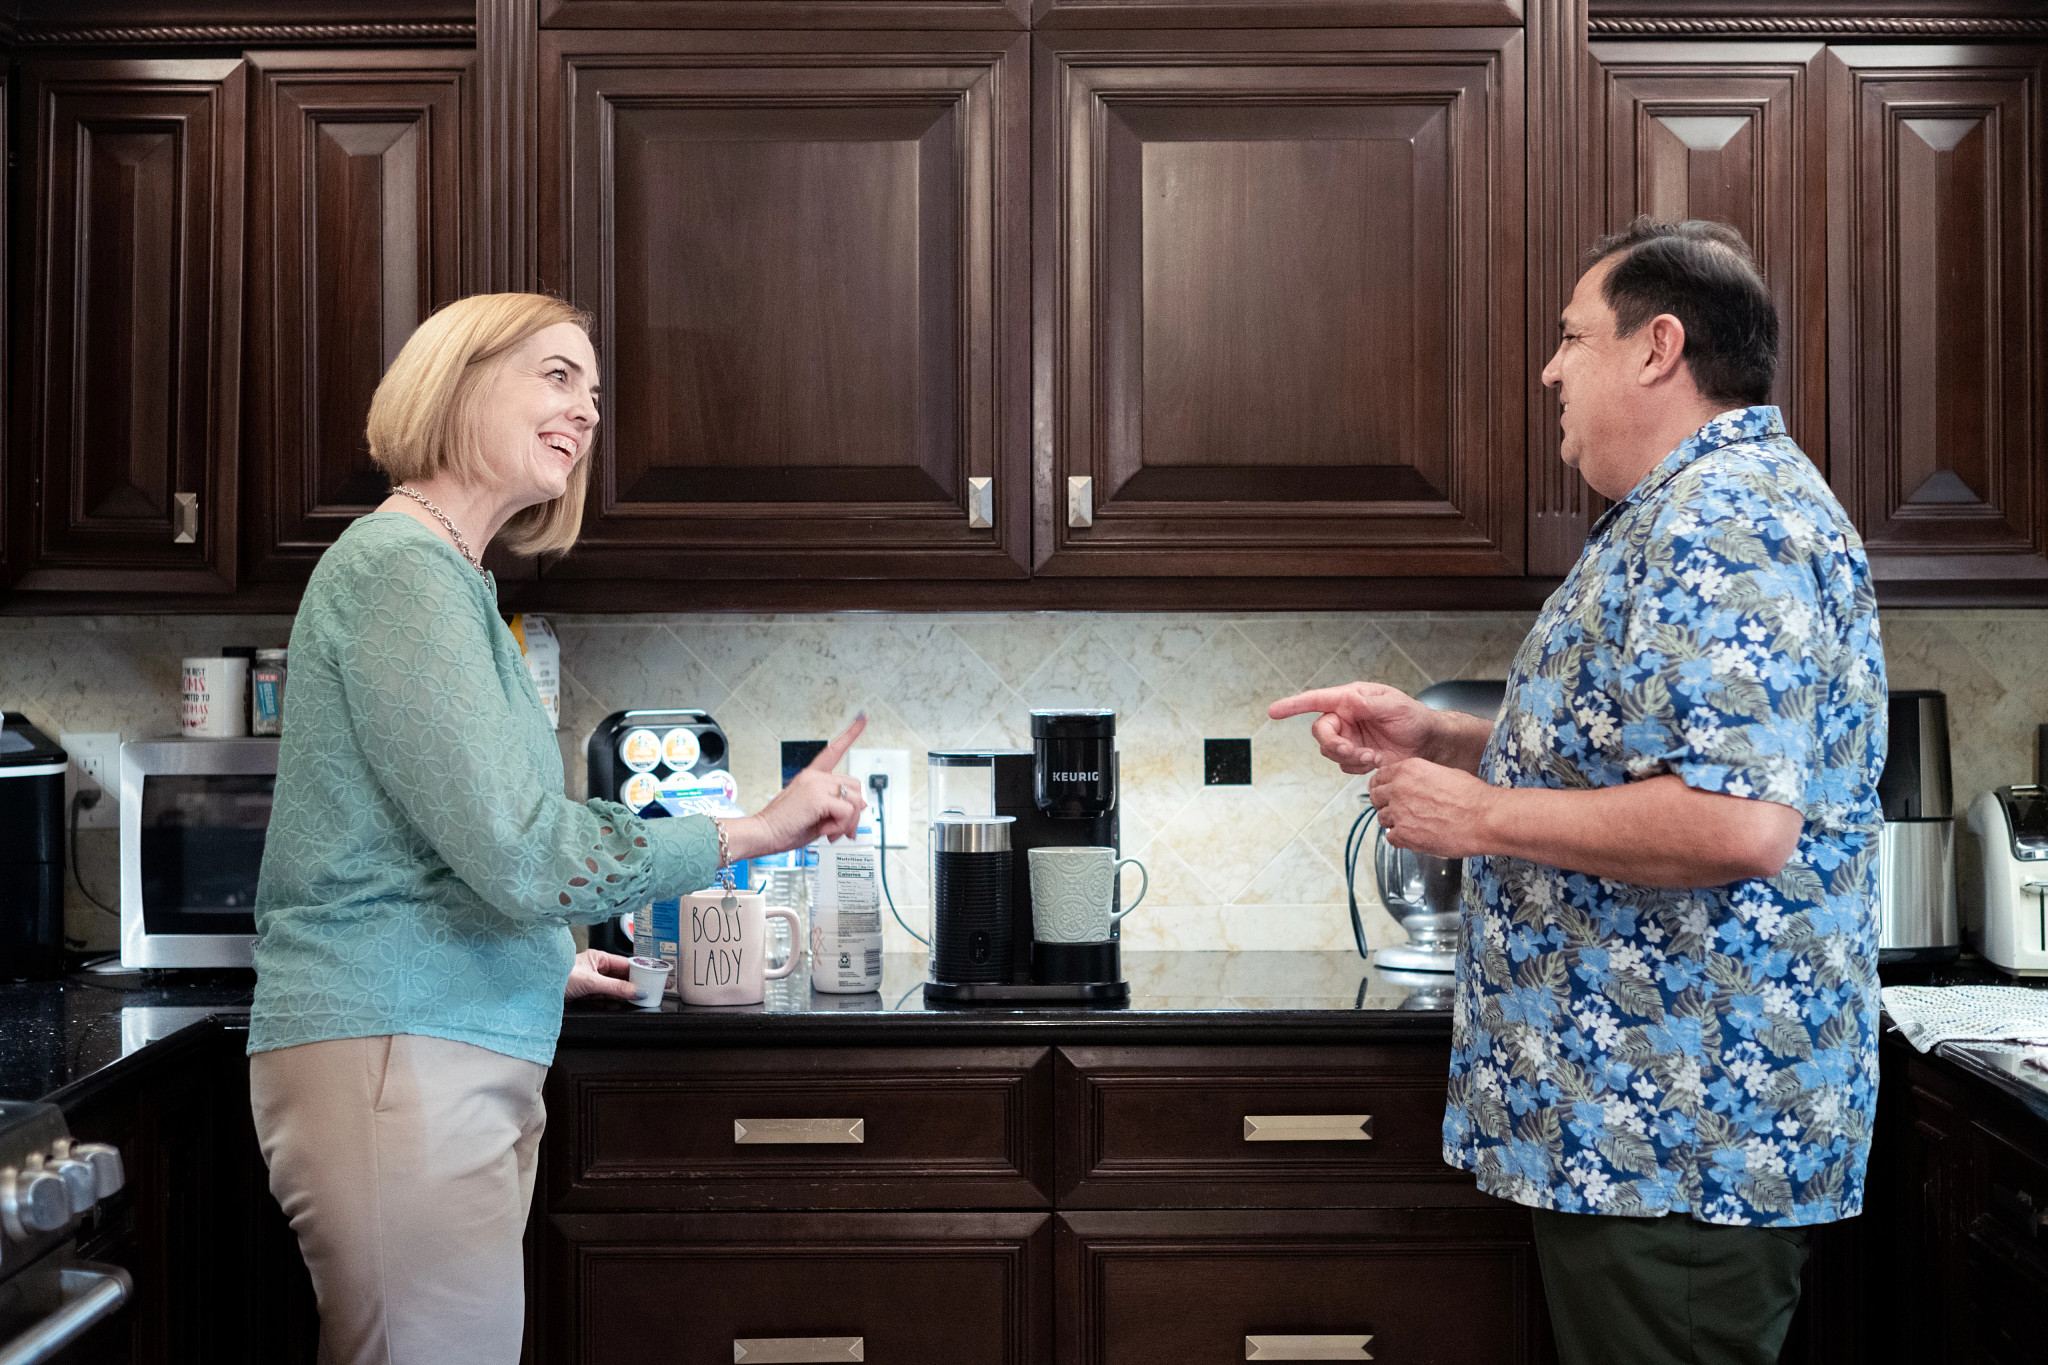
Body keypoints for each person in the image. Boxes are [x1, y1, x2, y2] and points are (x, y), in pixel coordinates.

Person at [1271, 219, 1886, 1365]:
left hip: (1682, 1138)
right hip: (1634, 1132)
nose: (1550, 370)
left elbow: (1737, 822)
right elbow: (1650, 750)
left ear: (1657, 348)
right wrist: (1448, 737)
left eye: (1569, 338)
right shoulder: (1678, 514)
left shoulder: (1726, 522)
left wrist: (1478, 816)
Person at [247, 292, 869, 1365]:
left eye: (592, 390)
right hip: (400, 1049)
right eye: (554, 374)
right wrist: (753, 831)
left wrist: (533, 958)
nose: (584, 411)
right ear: (458, 382)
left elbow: (453, 843)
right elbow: (524, 848)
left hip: (428, 1038)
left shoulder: (446, 578)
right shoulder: (403, 573)